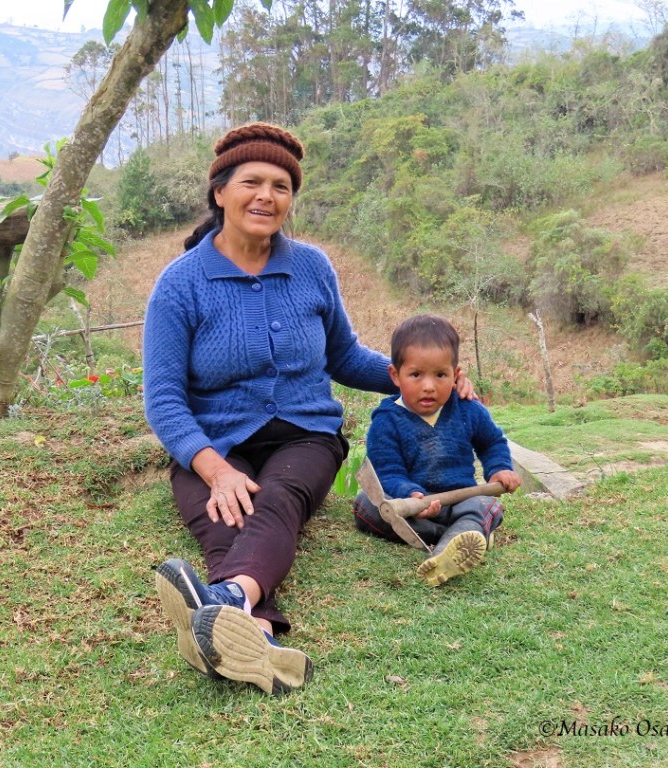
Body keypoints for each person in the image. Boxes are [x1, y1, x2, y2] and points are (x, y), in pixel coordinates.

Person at [142, 123, 475, 695]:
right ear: (220, 192)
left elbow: (344, 356)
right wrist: (215, 469)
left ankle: (224, 601)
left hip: (304, 435)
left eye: (280, 186)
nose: (266, 197)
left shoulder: (312, 268)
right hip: (212, 443)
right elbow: (164, 399)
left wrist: (421, 380)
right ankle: (254, 635)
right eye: (251, 182)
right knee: (227, 517)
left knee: (277, 499)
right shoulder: (180, 285)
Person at [354, 313, 521, 586]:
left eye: (441, 375)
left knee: (486, 505)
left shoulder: (467, 409)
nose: (429, 386)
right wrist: (411, 495)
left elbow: (492, 442)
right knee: (365, 504)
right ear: (395, 375)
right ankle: (458, 534)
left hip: (460, 501)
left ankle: (452, 546)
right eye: (416, 375)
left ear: (456, 375)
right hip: (412, 508)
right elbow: (387, 472)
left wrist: (500, 468)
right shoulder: (386, 421)